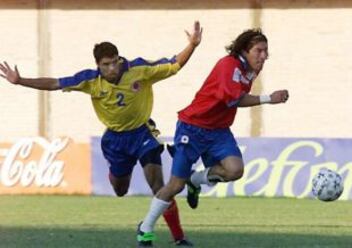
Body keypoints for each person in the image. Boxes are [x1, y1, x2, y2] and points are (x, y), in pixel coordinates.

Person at [0, 21, 203, 247]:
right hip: (115, 141)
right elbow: (55, 83)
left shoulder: (138, 69)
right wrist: (20, 81)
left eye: (115, 62)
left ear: (119, 59)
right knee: (120, 189)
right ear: (98, 65)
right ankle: (117, 178)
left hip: (143, 133)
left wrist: (192, 46)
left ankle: (178, 238)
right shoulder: (89, 80)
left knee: (158, 186)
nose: (113, 69)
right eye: (107, 64)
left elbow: (173, 64)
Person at [136, 29, 289, 247]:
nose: (264, 55)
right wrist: (268, 98)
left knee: (235, 170)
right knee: (174, 185)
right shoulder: (228, 65)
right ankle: (145, 228)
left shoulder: (250, 69)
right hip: (193, 127)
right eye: (259, 50)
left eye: (266, 51)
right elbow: (232, 99)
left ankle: (195, 180)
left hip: (218, 131)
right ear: (244, 50)